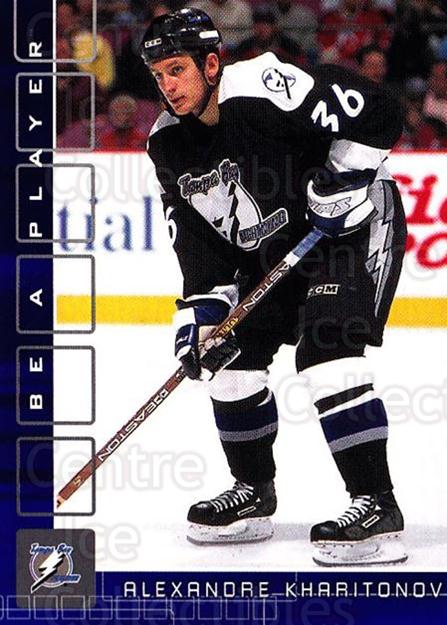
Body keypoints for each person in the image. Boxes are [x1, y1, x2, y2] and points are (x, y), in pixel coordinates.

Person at [140, 8, 407, 566]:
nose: (168, 86)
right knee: (230, 359)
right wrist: (202, 317)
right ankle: (253, 492)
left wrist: (346, 176)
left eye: (177, 69)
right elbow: (199, 249)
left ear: (211, 65)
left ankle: (377, 503)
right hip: (277, 252)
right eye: (158, 75)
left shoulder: (263, 85)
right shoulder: (167, 144)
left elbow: (380, 109)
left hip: (351, 229)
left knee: (326, 353)